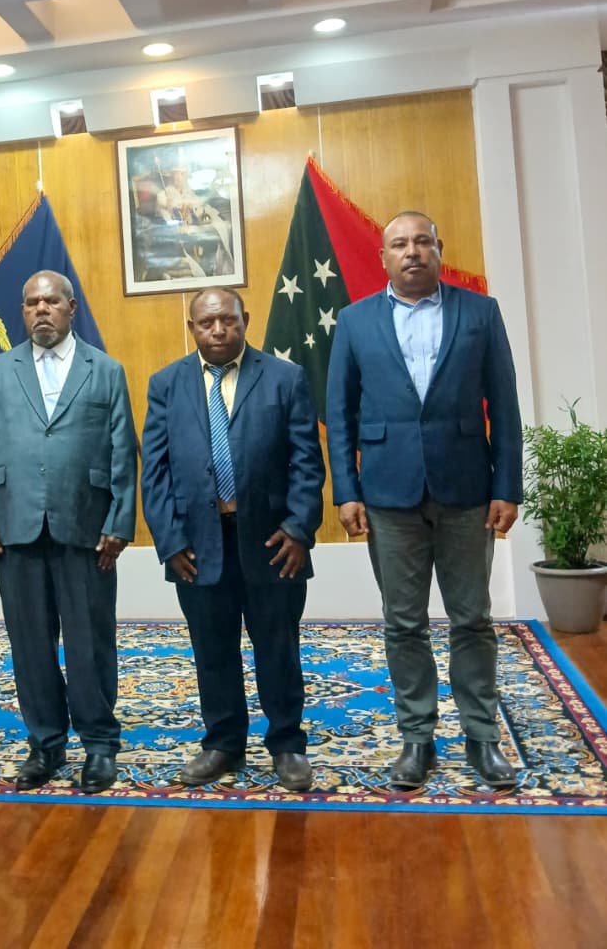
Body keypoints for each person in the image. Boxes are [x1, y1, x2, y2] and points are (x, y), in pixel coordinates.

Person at [326, 211, 523, 789]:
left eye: (421, 242)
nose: (411, 251)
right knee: (403, 622)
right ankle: (417, 738)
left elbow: (504, 405)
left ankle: (482, 736)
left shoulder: (480, 313)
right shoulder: (355, 321)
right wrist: (346, 491)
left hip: (467, 491)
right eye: (399, 244)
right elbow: (339, 413)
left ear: (439, 248)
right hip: (387, 495)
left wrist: (507, 486)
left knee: (473, 619)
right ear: (383, 257)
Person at [141, 287, 325, 791]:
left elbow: (307, 462)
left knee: (278, 646)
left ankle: (287, 744)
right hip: (197, 545)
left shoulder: (284, 377)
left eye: (228, 320)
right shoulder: (166, 384)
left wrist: (299, 529)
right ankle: (223, 742)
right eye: (207, 323)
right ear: (192, 328)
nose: (218, 330)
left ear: (246, 320)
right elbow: (154, 471)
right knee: (212, 648)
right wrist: (169, 542)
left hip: (273, 542)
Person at [0, 270, 138, 795]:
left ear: (70, 307)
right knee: (30, 645)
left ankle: (99, 744)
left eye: (51, 301)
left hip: (86, 527)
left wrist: (120, 522)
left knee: (90, 642)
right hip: (15, 528)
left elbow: (123, 453)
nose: (41, 309)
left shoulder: (106, 371)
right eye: (31, 302)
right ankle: (45, 743)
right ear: (22, 311)